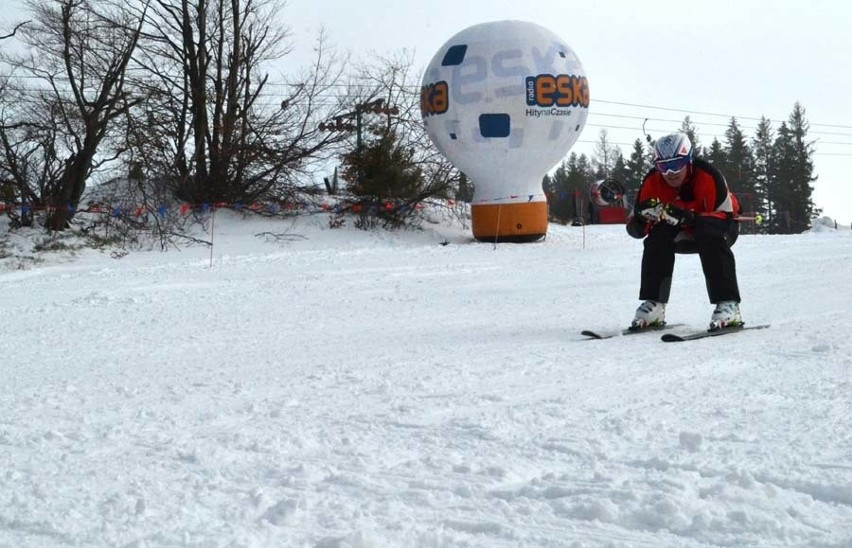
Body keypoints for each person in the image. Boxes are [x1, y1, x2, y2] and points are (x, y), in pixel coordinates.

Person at [626, 132, 743, 331]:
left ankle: (728, 303)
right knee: (657, 236)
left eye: (676, 164)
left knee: (710, 236)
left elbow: (724, 220)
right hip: (680, 231)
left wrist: (689, 217)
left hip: (719, 227)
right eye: (663, 166)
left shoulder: (709, 176)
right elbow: (636, 231)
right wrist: (642, 216)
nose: (670, 172)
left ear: (689, 160)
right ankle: (655, 303)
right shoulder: (652, 181)